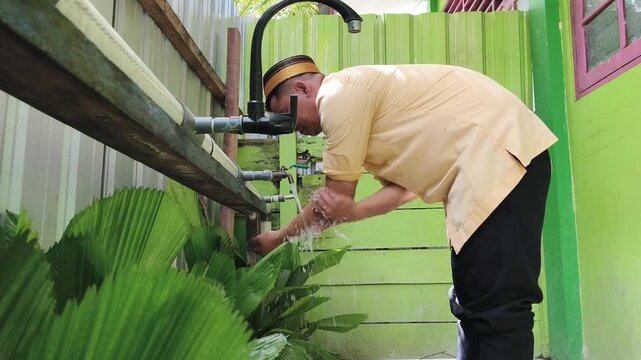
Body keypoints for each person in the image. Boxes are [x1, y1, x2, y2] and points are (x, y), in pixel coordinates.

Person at [249, 54, 557, 360]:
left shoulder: (337, 95)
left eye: (287, 112)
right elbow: (403, 190)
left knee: (498, 311)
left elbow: (332, 201)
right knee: (472, 304)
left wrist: (277, 239)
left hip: (498, 157)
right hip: (482, 173)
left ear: (302, 89)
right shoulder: (365, 108)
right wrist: (354, 211)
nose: (292, 126)